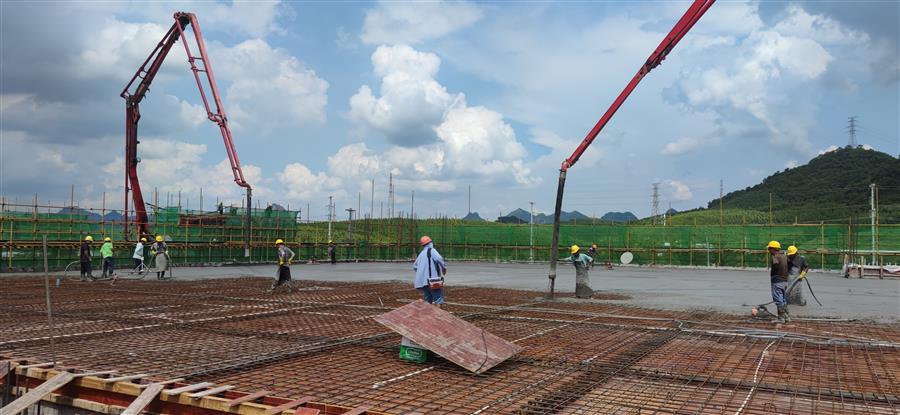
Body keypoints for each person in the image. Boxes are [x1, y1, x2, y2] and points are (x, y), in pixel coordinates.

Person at [413, 235, 447, 308]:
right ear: (430, 243)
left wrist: (422, 273)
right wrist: (444, 268)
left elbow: (415, 266)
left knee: (427, 301)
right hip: (433, 281)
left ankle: (427, 315)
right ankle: (438, 314)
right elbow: (439, 259)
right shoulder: (432, 250)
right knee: (438, 299)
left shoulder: (421, 254)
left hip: (424, 282)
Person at [767, 240, 790, 323]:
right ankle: (787, 317)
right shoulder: (784, 256)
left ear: (773, 249)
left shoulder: (775, 257)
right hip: (785, 281)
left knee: (778, 299)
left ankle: (781, 318)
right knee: (783, 299)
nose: (769, 251)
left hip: (777, 281)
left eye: (769, 249)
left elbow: (776, 265)